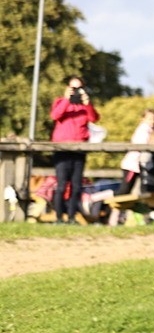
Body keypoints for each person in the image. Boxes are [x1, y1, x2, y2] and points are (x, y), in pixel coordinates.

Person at [49, 75, 100, 224]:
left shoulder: (85, 107)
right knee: (61, 185)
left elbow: (94, 118)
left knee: (76, 186)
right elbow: (55, 115)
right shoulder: (60, 102)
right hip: (62, 149)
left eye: (78, 88)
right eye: (73, 88)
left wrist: (87, 102)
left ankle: (72, 217)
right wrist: (66, 99)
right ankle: (58, 217)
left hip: (79, 149)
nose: (76, 91)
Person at [119, 109, 154, 194]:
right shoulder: (143, 130)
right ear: (143, 119)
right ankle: (103, 203)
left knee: (145, 188)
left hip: (142, 164)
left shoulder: (153, 130)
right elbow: (142, 145)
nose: (152, 121)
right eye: (150, 119)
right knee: (124, 191)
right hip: (133, 165)